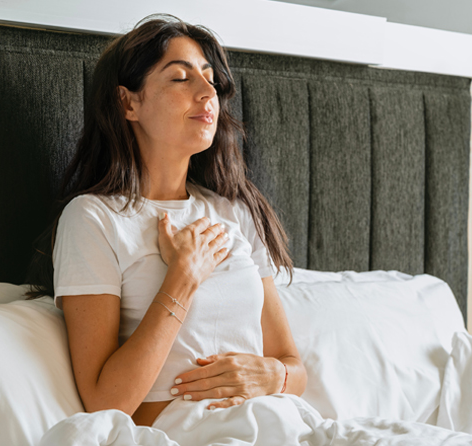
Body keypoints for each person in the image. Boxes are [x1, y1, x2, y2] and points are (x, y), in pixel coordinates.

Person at [26, 15, 307, 428]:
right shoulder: (93, 220)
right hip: (187, 433)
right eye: (180, 78)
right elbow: (107, 401)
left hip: (278, 421)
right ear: (129, 103)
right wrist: (183, 278)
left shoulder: (233, 211)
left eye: (210, 79)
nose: (207, 91)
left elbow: (292, 366)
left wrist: (273, 375)